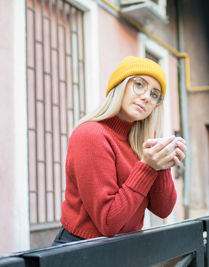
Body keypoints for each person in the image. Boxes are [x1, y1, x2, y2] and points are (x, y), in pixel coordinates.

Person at [52, 56, 187, 245]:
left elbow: (162, 209)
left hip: (125, 249)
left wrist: (162, 164)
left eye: (154, 94)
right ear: (120, 85)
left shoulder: (142, 141)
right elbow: (108, 222)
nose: (147, 96)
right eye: (139, 84)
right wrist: (148, 167)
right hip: (81, 251)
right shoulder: (91, 134)